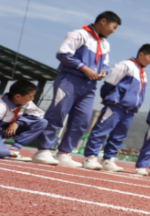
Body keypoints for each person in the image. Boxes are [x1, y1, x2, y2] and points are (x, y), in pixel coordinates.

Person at [33, 11, 119, 167]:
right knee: (57, 114)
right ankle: (43, 150)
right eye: (113, 27)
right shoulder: (79, 34)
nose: (113, 31)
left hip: (89, 86)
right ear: (103, 21)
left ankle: (63, 153)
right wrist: (84, 68)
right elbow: (63, 54)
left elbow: (105, 63)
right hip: (70, 80)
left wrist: (103, 71)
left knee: (82, 120)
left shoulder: (105, 43)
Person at [81, 44, 150, 172]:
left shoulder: (143, 73)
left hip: (130, 110)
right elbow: (110, 82)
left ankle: (108, 160)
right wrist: (108, 98)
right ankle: (90, 157)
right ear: (141, 54)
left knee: (118, 136)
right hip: (116, 105)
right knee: (101, 130)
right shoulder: (125, 65)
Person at [0, 80, 48, 161]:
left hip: (6, 130)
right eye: (30, 96)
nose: (32, 99)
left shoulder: (26, 103)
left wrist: (18, 122)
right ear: (18, 96)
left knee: (42, 122)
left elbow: (39, 115)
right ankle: (5, 151)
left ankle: (14, 149)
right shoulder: (1, 106)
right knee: (3, 153)